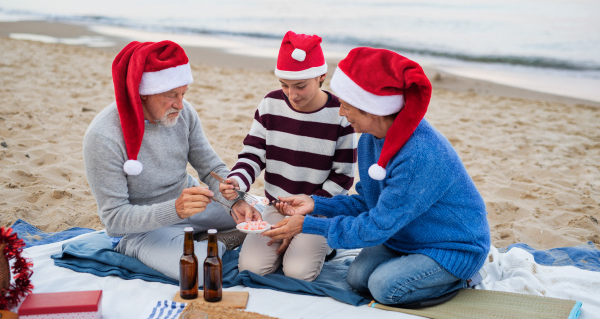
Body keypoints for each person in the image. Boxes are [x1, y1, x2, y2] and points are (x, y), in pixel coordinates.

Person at [263, 47, 491, 305]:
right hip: (404, 234)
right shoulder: (370, 140)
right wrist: (315, 203)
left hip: (451, 245)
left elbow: (377, 226)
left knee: (385, 288)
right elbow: (368, 202)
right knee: (358, 279)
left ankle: (463, 277)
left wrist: (309, 224)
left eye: (347, 106)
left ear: (372, 110)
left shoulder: (417, 156)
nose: (341, 112)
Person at [83, 40, 255, 282]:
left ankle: (204, 239)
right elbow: (114, 219)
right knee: (199, 272)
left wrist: (235, 198)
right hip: (140, 230)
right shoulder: (103, 137)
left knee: (258, 215)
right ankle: (214, 241)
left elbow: (212, 168)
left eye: (184, 93)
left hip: (190, 208)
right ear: (141, 93)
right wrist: (175, 209)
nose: (180, 105)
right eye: (171, 96)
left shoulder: (185, 114)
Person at [219, 31, 357, 281]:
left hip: (319, 212)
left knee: (298, 272)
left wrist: (305, 216)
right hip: (275, 207)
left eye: (300, 86)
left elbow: (343, 178)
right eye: (284, 85)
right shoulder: (270, 104)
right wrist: (237, 182)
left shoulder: (341, 114)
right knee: (251, 268)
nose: (291, 95)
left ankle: (327, 245)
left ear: (321, 76)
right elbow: (253, 154)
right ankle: (294, 246)